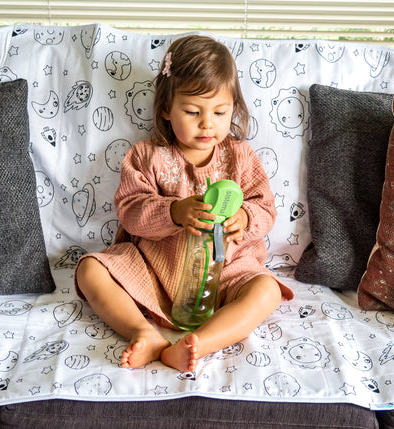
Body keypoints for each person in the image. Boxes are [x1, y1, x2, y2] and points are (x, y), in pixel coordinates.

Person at [74, 35, 294, 373]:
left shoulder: (241, 157)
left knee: (267, 290)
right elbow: (130, 210)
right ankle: (144, 333)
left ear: (233, 107)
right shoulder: (146, 155)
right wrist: (173, 211)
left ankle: (199, 344)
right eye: (192, 111)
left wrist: (246, 218)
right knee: (90, 269)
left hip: (225, 276)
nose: (208, 123)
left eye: (220, 111)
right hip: (153, 270)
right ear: (166, 108)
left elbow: (265, 207)